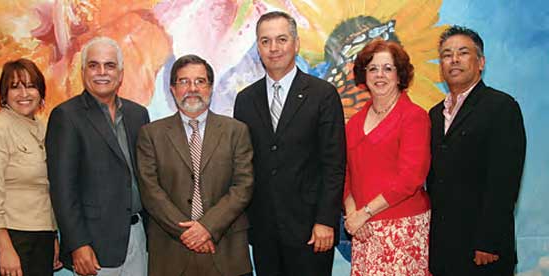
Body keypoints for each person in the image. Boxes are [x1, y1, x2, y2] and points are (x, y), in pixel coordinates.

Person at [233, 11, 346, 275]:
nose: (274, 48)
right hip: (264, 232)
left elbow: (334, 164)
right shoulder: (245, 100)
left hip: (311, 231)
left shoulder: (323, 95)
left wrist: (325, 221)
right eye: (265, 41)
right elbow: (244, 165)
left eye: (281, 39)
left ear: (296, 44)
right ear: (258, 47)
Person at [136, 54, 253, 276]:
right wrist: (190, 234)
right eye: (184, 81)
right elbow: (150, 191)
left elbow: (243, 186)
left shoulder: (236, 131)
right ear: (172, 88)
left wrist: (207, 227)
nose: (192, 88)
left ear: (210, 87)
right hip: (171, 254)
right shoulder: (151, 134)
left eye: (200, 81)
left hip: (226, 253)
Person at [46, 37, 150, 276]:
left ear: (121, 73)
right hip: (94, 245)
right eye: (94, 65)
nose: (102, 72)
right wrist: (78, 244)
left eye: (109, 65)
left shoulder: (138, 115)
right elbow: (63, 189)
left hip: (138, 237)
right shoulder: (66, 116)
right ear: (83, 72)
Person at [427, 25, 526, 276]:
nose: (454, 60)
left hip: (483, 250)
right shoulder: (435, 115)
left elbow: (504, 181)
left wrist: (489, 241)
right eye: (447, 54)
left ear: (480, 62)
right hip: (444, 248)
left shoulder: (501, 107)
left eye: (463, 52)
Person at [342, 39, 432, 276]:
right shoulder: (354, 122)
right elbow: (344, 173)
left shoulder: (414, 117)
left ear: (400, 75)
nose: (379, 75)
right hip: (362, 230)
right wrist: (353, 216)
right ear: (364, 75)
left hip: (403, 229)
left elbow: (410, 179)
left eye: (387, 68)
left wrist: (365, 213)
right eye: (372, 68)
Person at [0, 58, 62, 276]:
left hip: (42, 237)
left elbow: (46, 189)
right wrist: (5, 249)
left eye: (31, 86)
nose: (24, 94)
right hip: (6, 238)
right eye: (15, 87)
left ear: (40, 92)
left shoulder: (43, 130)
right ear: (4, 95)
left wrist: (53, 236)